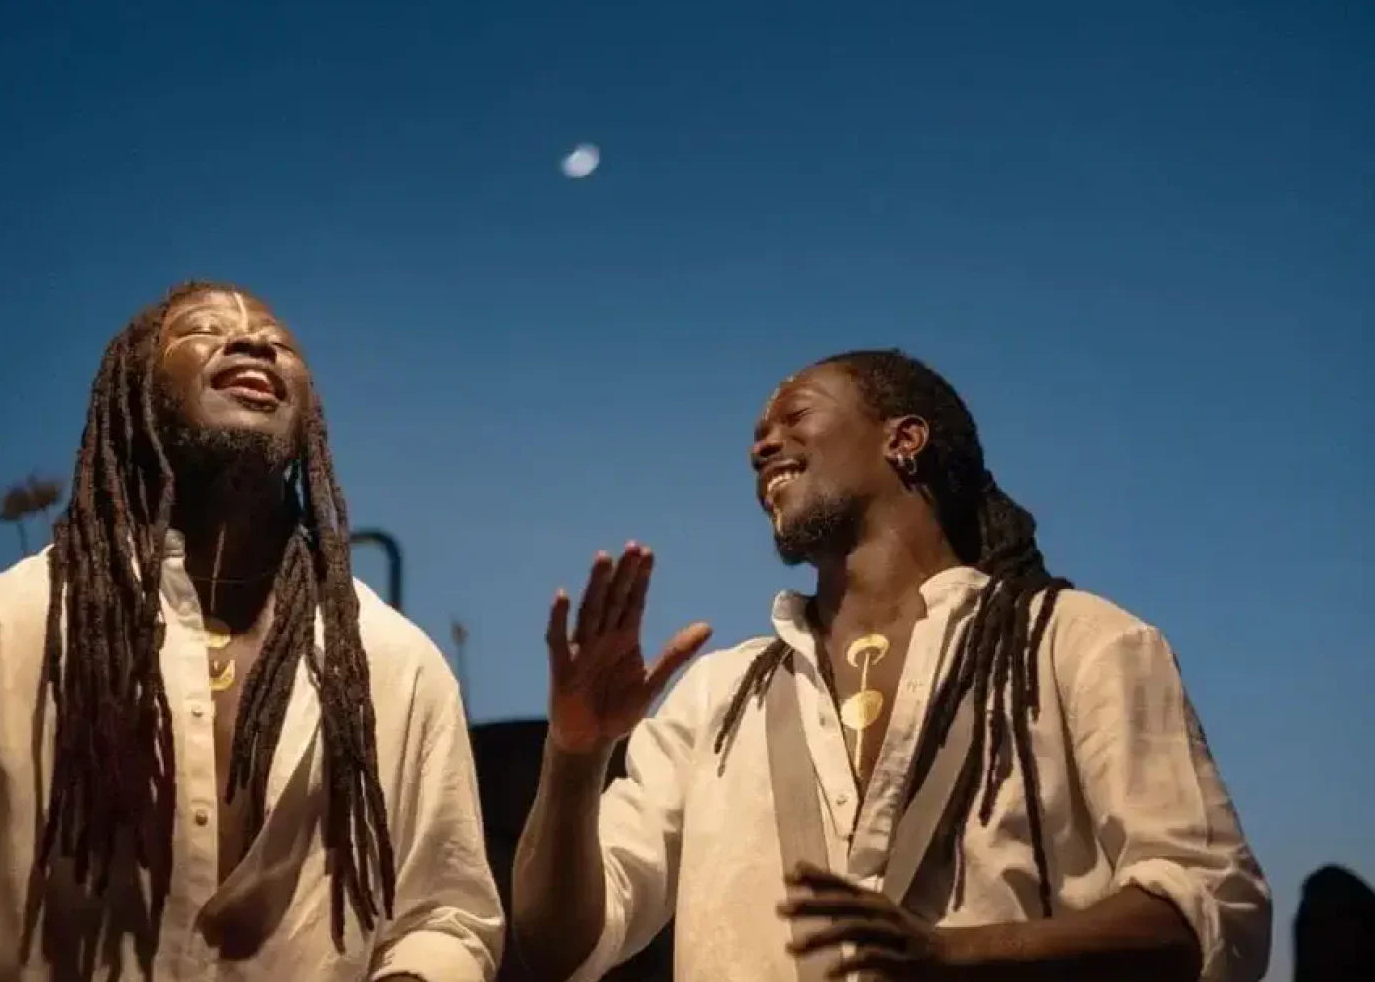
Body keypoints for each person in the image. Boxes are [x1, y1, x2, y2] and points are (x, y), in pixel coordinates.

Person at [512, 349, 1270, 981]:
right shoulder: (717, 695)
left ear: (903, 439)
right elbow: (559, 947)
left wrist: (961, 953)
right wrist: (575, 757)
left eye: (795, 417)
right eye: (757, 435)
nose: (761, 446)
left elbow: (1210, 906)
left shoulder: (1076, 643)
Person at [0, 282, 502, 982]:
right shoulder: (1, 627)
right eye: (203, 328)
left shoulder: (398, 665)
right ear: (139, 390)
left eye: (280, 341)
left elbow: (445, 920)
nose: (253, 341)